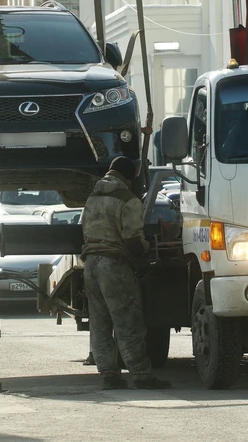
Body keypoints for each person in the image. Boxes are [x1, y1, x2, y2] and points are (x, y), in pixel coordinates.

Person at [81, 156, 172, 390]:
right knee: (127, 321)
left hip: (90, 265)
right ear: (129, 177)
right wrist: (148, 249)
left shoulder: (92, 197)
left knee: (100, 323)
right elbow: (132, 240)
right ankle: (141, 375)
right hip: (113, 264)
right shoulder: (128, 199)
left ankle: (109, 375)